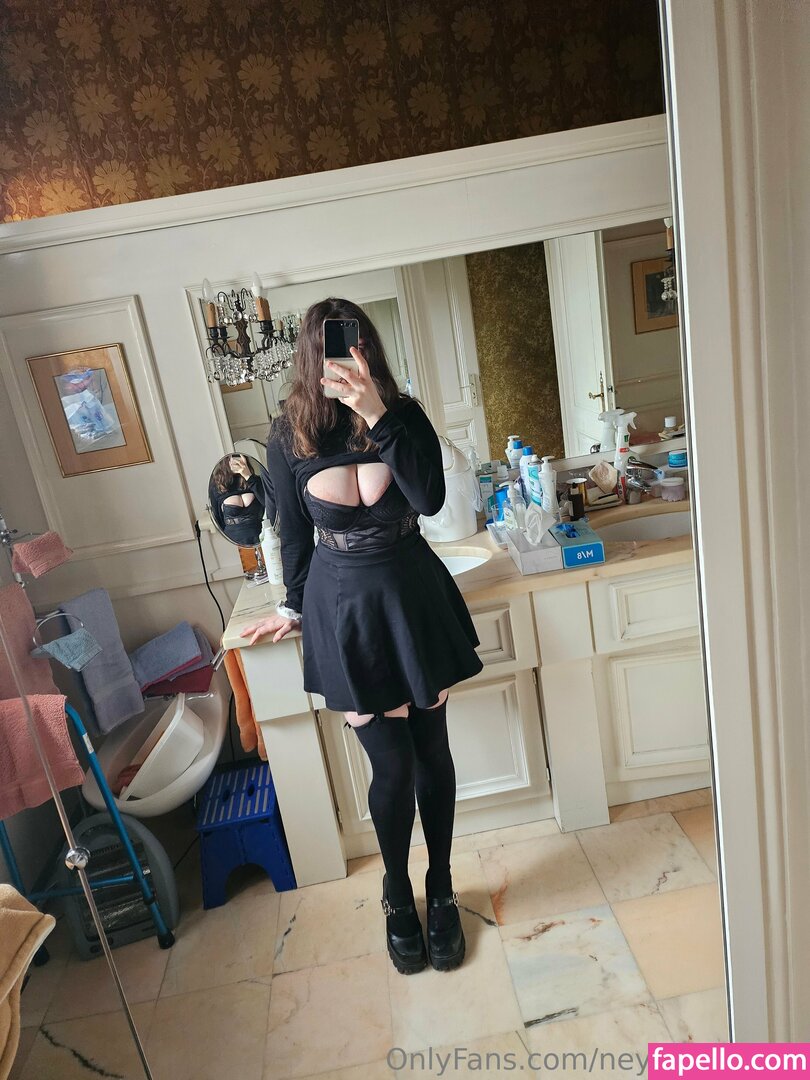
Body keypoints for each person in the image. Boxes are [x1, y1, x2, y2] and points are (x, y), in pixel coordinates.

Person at [239, 297, 484, 974]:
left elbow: (429, 499)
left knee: (432, 753)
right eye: (332, 348)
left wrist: (378, 412)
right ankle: (397, 892)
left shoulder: (403, 415)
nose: (348, 358)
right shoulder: (288, 435)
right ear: (310, 359)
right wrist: (291, 608)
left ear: (370, 347)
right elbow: (294, 534)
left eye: (357, 345)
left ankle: (441, 886)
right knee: (393, 767)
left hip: (412, 598)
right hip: (343, 610)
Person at [208, 454, 265, 546]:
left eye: (238, 456)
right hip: (232, 540)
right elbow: (217, 518)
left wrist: (248, 476)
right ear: (226, 460)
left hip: (260, 536)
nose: (236, 461)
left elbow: (268, 504)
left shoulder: (256, 481)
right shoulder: (217, 486)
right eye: (233, 457)